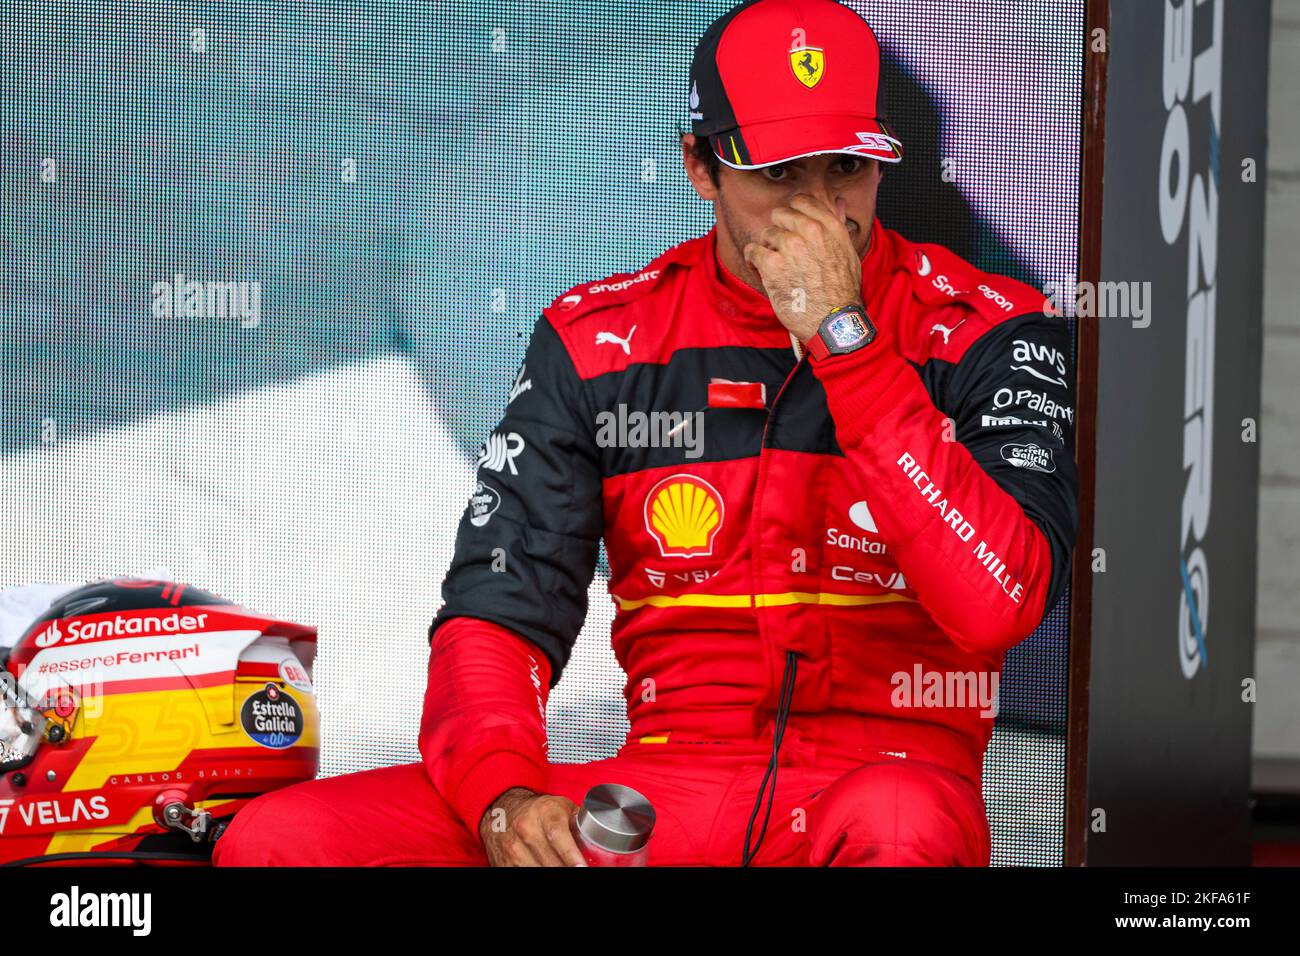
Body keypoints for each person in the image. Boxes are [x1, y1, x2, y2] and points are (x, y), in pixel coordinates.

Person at [215, 0, 1077, 867]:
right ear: (700, 166)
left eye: (847, 168)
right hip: (665, 792)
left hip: (887, 780)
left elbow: (998, 604)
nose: (820, 212)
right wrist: (505, 795)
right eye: (779, 175)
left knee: (900, 819)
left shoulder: (986, 327)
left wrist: (844, 341)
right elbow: (498, 613)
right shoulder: (598, 343)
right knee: (281, 841)